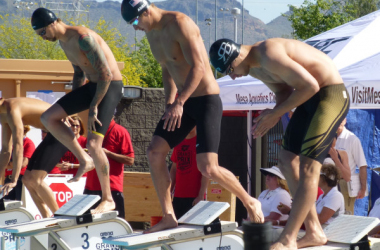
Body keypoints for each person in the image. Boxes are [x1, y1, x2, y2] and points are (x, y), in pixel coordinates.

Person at [120, 0, 264, 233]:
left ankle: (249, 200)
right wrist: (169, 104)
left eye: (135, 21)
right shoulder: (152, 34)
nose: (135, 27)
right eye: (130, 24)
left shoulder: (181, 24)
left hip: (206, 99)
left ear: (147, 10)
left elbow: (199, 66)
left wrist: (179, 102)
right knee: (155, 152)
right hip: (181, 103)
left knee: (208, 167)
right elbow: (167, 69)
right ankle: (169, 215)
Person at [209, 38, 349, 249]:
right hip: (310, 98)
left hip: (330, 95)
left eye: (231, 69)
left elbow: (310, 85)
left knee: (309, 166)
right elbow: (284, 91)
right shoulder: (253, 67)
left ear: (237, 55)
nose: (233, 76)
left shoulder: (268, 54)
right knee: (285, 161)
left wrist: (276, 113)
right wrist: (275, 110)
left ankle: (289, 238)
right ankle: (313, 231)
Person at [31, 7, 124, 214]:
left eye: (42, 33)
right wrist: (72, 104)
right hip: (91, 85)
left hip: (109, 86)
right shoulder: (64, 42)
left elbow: (106, 74)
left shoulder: (83, 38)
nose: (43, 38)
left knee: (94, 142)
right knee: (49, 117)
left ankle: (108, 199)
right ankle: (83, 159)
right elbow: (78, 72)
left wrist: (92, 108)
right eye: (39, 35)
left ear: (52, 23)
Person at [0, 97, 68, 218]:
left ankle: (61, 217)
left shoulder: (11, 108)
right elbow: (6, 150)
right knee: (27, 179)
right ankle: (47, 217)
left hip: (61, 132)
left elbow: (18, 145)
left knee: (36, 179)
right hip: (51, 133)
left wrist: (14, 180)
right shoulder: (3, 115)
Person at [83, 118, 134, 218]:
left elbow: (130, 160)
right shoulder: (93, 130)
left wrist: (107, 153)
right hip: (91, 186)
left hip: (112, 187)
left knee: (115, 225)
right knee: (87, 225)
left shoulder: (120, 131)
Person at [170, 127, 208, 219]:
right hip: (178, 196)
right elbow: (174, 169)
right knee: (177, 228)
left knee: (194, 229)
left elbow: (205, 172)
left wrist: (200, 195)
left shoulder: (201, 142)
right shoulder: (178, 142)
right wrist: (169, 191)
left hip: (195, 197)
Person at [335, 118, 367, 215]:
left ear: (345, 120)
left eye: (342, 119)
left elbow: (362, 166)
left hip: (345, 184)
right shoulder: (328, 138)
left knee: (346, 215)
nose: (339, 121)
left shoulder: (352, 139)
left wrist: (363, 188)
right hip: (329, 183)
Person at [3, 125, 35, 201]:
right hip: (8, 179)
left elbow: (23, 163)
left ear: (23, 130)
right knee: (5, 206)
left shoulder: (28, 143)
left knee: (19, 204)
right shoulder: (11, 144)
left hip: (21, 179)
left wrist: (8, 164)